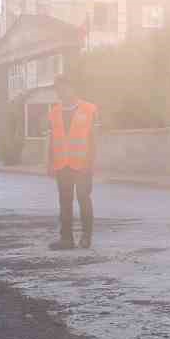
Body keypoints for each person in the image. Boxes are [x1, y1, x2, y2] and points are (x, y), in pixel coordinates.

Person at [47, 74, 98, 250]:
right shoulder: (54, 112)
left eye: (63, 87)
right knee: (65, 201)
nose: (60, 91)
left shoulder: (89, 109)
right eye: (57, 88)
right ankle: (66, 239)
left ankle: (86, 237)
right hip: (62, 165)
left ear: (72, 88)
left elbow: (93, 139)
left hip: (82, 164)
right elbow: (53, 139)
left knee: (83, 199)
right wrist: (50, 163)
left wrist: (90, 163)